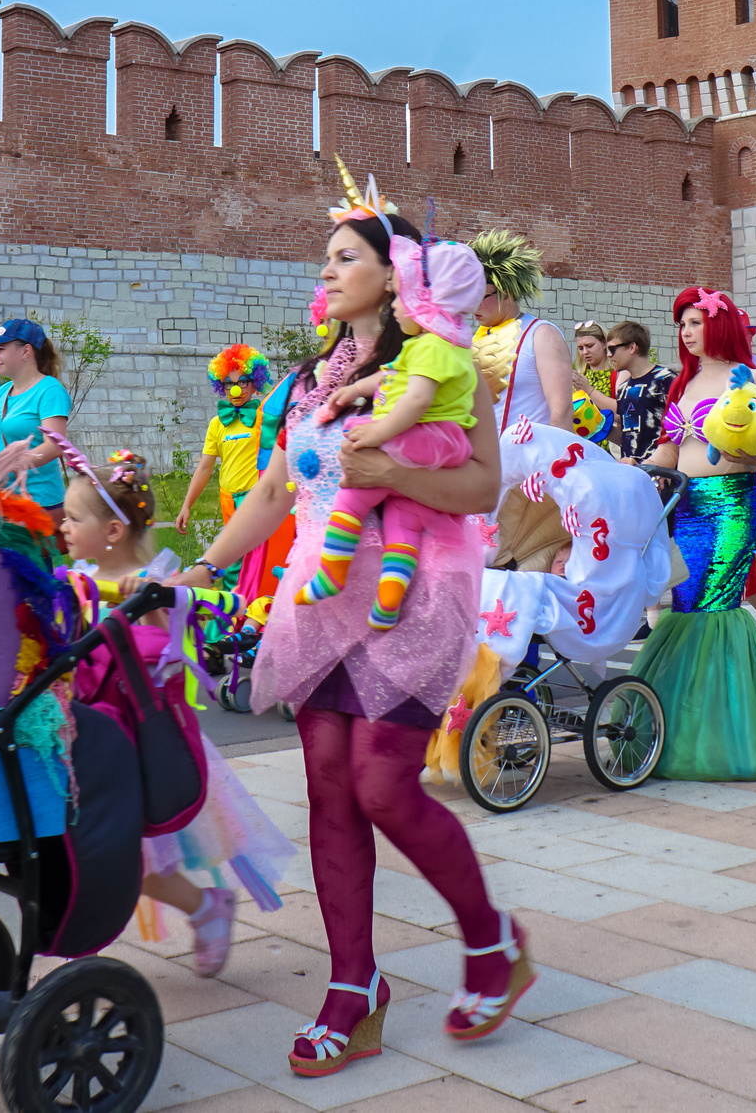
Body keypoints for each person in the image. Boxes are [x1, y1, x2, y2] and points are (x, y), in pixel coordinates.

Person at [174, 198, 526, 1075]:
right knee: (329, 789)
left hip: (415, 593)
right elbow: (275, 492)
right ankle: (352, 987)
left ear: (392, 270)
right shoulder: (307, 381)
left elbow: (483, 488)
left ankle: (491, 942)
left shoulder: (442, 363)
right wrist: (202, 567)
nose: (326, 271)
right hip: (322, 596)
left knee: (381, 785)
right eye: (325, 258)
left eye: (344, 256)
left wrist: (390, 468)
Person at [63, 450, 293, 978]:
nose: (63, 526)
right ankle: (84, 942)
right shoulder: (76, 579)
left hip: (142, 741)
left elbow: (171, 643)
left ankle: (205, 906)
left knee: (133, 854)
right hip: (89, 735)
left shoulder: (156, 583)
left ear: (113, 531)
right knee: (94, 844)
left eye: (74, 518)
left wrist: (153, 602)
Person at [639, 287, 756, 779]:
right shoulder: (685, 380)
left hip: (732, 505)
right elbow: (671, 447)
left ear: (718, 325)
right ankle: (680, 725)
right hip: (686, 505)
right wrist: (641, 468)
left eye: (695, 323)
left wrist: (739, 450)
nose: (686, 332)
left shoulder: (748, 377)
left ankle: (722, 732)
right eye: (682, 325)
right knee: (687, 604)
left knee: (716, 606)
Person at [301, 236, 485, 628]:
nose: (395, 306)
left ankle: (332, 571)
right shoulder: (441, 346)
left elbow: (416, 399)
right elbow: (392, 377)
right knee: (404, 519)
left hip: (427, 436)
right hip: (438, 443)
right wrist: (355, 388)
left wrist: (378, 432)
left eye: (402, 297)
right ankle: (388, 601)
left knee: (353, 491)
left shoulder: (431, 347)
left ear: (426, 303)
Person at [469, 229, 575, 571]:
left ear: (506, 291)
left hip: (526, 481)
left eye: (481, 295)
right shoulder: (470, 340)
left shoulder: (541, 334)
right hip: (478, 476)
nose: (472, 305)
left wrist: (554, 479)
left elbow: (561, 412)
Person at [0, 319, 74, 518]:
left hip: (38, 503)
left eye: (1, 349)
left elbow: (54, 445)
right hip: (1, 501)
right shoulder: (2, 392)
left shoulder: (50, 390)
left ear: (26, 351)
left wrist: (6, 465)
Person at [178, 345, 271, 533]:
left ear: (255, 384)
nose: (235, 390)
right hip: (228, 499)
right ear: (222, 386)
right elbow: (205, 468)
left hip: (257, 498)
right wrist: (186, 505)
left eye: (242, 382)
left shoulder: (265, 419)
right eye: (229, 383)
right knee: (235, 549)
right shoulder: (216, 424)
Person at [605, 320, 674, 465]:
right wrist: (601, 428)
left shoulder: (666, 379)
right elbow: (626, 437)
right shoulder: (623, 389)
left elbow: (679, 431)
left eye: (612, 349)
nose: (609, 355)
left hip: (661, 471)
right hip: (632, 472)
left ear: (632, 347)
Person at [571, 320, 620, 423]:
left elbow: (623, 411)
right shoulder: (579, 375)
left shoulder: (618, 373)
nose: (585, 352)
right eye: (580, 348)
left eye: (590, 346)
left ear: (604, 344)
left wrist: (589, 390)